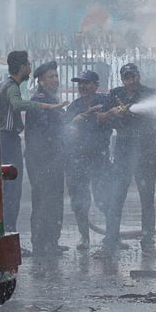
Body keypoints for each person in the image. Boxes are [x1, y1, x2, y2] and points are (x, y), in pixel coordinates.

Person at [97, 63, 156, 258]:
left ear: (139, 76)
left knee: (147, 199)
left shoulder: (150, 93)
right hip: (123, 153)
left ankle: (148, 244)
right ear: (122, 79)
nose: (131, 81)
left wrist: (144, 110)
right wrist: (114, 113)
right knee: (116, 198)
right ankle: (109, 243)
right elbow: (101, 117)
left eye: (133, 76)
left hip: (145, 153)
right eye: (127, 77)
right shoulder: (115, 94)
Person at [0, 50, 65, 256]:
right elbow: (18, 106)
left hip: (11, 142)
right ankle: (11, 239)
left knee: (14, 192)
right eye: (27, 64)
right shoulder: (11, 87)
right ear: (21, 67)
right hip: (9, 143)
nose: (29, 67)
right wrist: (47, 107)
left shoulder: (11, 86)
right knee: (12, 192)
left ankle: (21, 239)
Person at [64, 70, 116, 251]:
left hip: (99, 158)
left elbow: (114, 118)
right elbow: (67, 126)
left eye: (86, 83)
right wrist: (92, 118)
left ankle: (112, 237)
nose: (82, 86)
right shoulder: (74, 106)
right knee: (79, 202)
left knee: (105, 199)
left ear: (95, 85)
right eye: (80, 83)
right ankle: (84, 238)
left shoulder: (105, 101)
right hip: (77, 160)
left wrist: (102, 117)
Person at [24, 60, 68, 257]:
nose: (55, 80)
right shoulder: (41, 101)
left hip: (54, 159)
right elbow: (43, 132)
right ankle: (41, 243)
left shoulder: (51, 99)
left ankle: (51, 241)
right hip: (41, 161)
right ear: (40, 80)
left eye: (56, 76)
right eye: (51, 76)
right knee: (43, 201)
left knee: (55, 200)